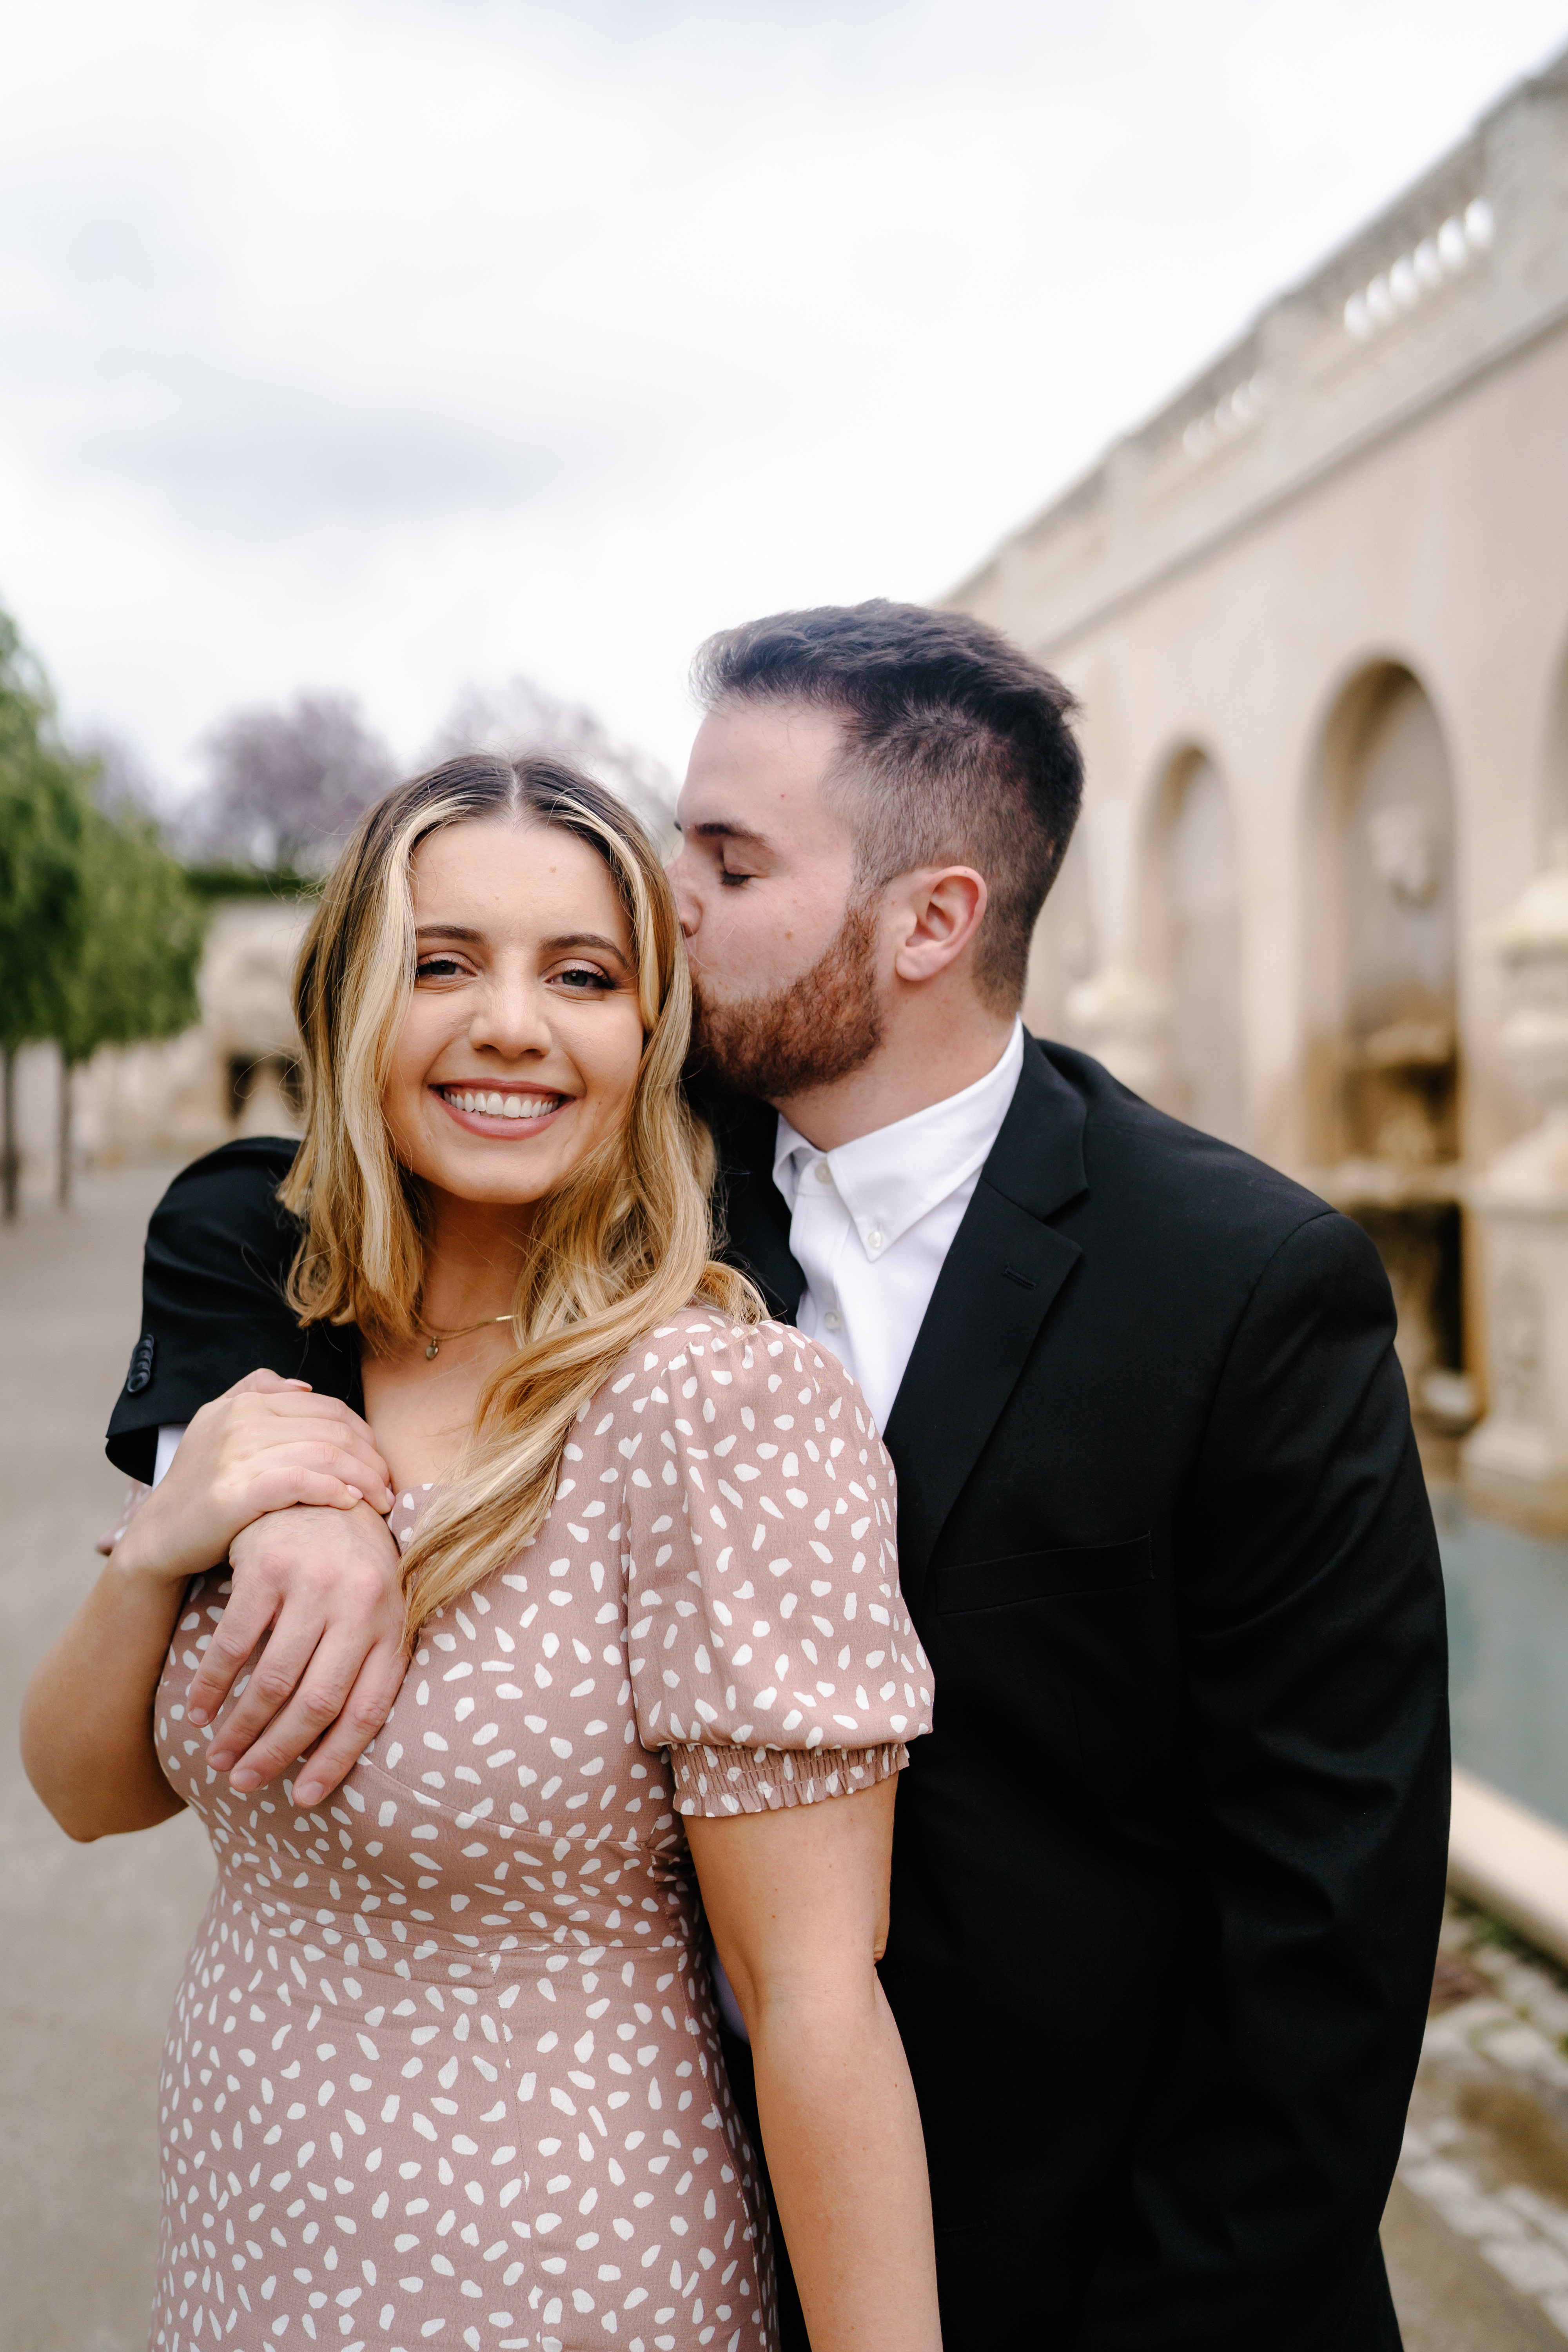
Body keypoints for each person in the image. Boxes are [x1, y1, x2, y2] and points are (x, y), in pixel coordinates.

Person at [98, 601, 1449, 2350]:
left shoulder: (1245, 1288)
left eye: (728, 867)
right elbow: (261, 1200)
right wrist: (289, 1479)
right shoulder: (638, 1182)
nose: (666, 906)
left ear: (927, 923)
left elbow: (1328, 1922)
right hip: (648, 2229)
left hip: (1095, 2257)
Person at [24, 752, 942, 2352]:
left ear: (647, 1033)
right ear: (346, 1007)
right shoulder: (280, 1362)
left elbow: (811, 1998)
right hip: (248, 2251)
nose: (510, 1023)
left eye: (581, 976)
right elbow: (90, 1793)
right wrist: (159, 1540)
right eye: (440, 963)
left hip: (558, 2273)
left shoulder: (722, 1409)